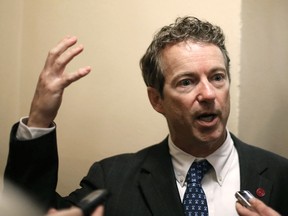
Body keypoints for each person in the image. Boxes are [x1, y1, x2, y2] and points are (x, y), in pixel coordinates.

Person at [4, 16, 288, 216]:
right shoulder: (112, 179)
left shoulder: (280, 175)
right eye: (186, 82)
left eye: (217, 77)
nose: (208, 94)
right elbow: (33, 211)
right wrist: (40, 118)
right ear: (157, 100)